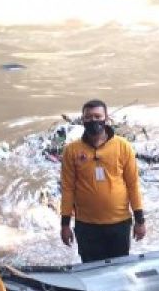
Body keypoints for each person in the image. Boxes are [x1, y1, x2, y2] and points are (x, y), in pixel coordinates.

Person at [60, 99, 147, 262]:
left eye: (97, 116)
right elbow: (67, 189)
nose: (93, 121)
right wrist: (65, 224)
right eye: (88, 117)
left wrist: (140, 221)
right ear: (82, 120)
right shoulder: (71, 151)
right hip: (86, 226)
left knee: (119, 270)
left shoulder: (123, 147)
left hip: (119, 223)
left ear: (106, 119)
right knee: (91, 271)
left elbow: (133, 185)